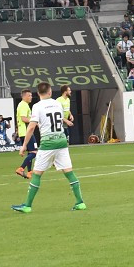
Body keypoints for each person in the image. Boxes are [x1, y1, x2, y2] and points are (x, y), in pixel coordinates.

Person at [11, 82, 86, 213]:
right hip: (61, 142)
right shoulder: (57, 103)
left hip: (47, 144)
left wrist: (23, 146)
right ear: (50, 92)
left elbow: (31, 127)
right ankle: (80, 202)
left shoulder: (37, 106)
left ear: (38, 94)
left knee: (36, 174)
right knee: (69, 172)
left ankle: (27, 205)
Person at [14, 89, 38, 179]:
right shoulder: (23, 105)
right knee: (35, 152)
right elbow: (24, 119)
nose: (31, 97)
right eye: (29, 95)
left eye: (31, 95)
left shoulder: (24, 105)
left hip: (24, 132)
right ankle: (21, 168)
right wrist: (34, 122)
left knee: (31, 152)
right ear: (24, 96)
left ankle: (30, 172)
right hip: (26, 132)